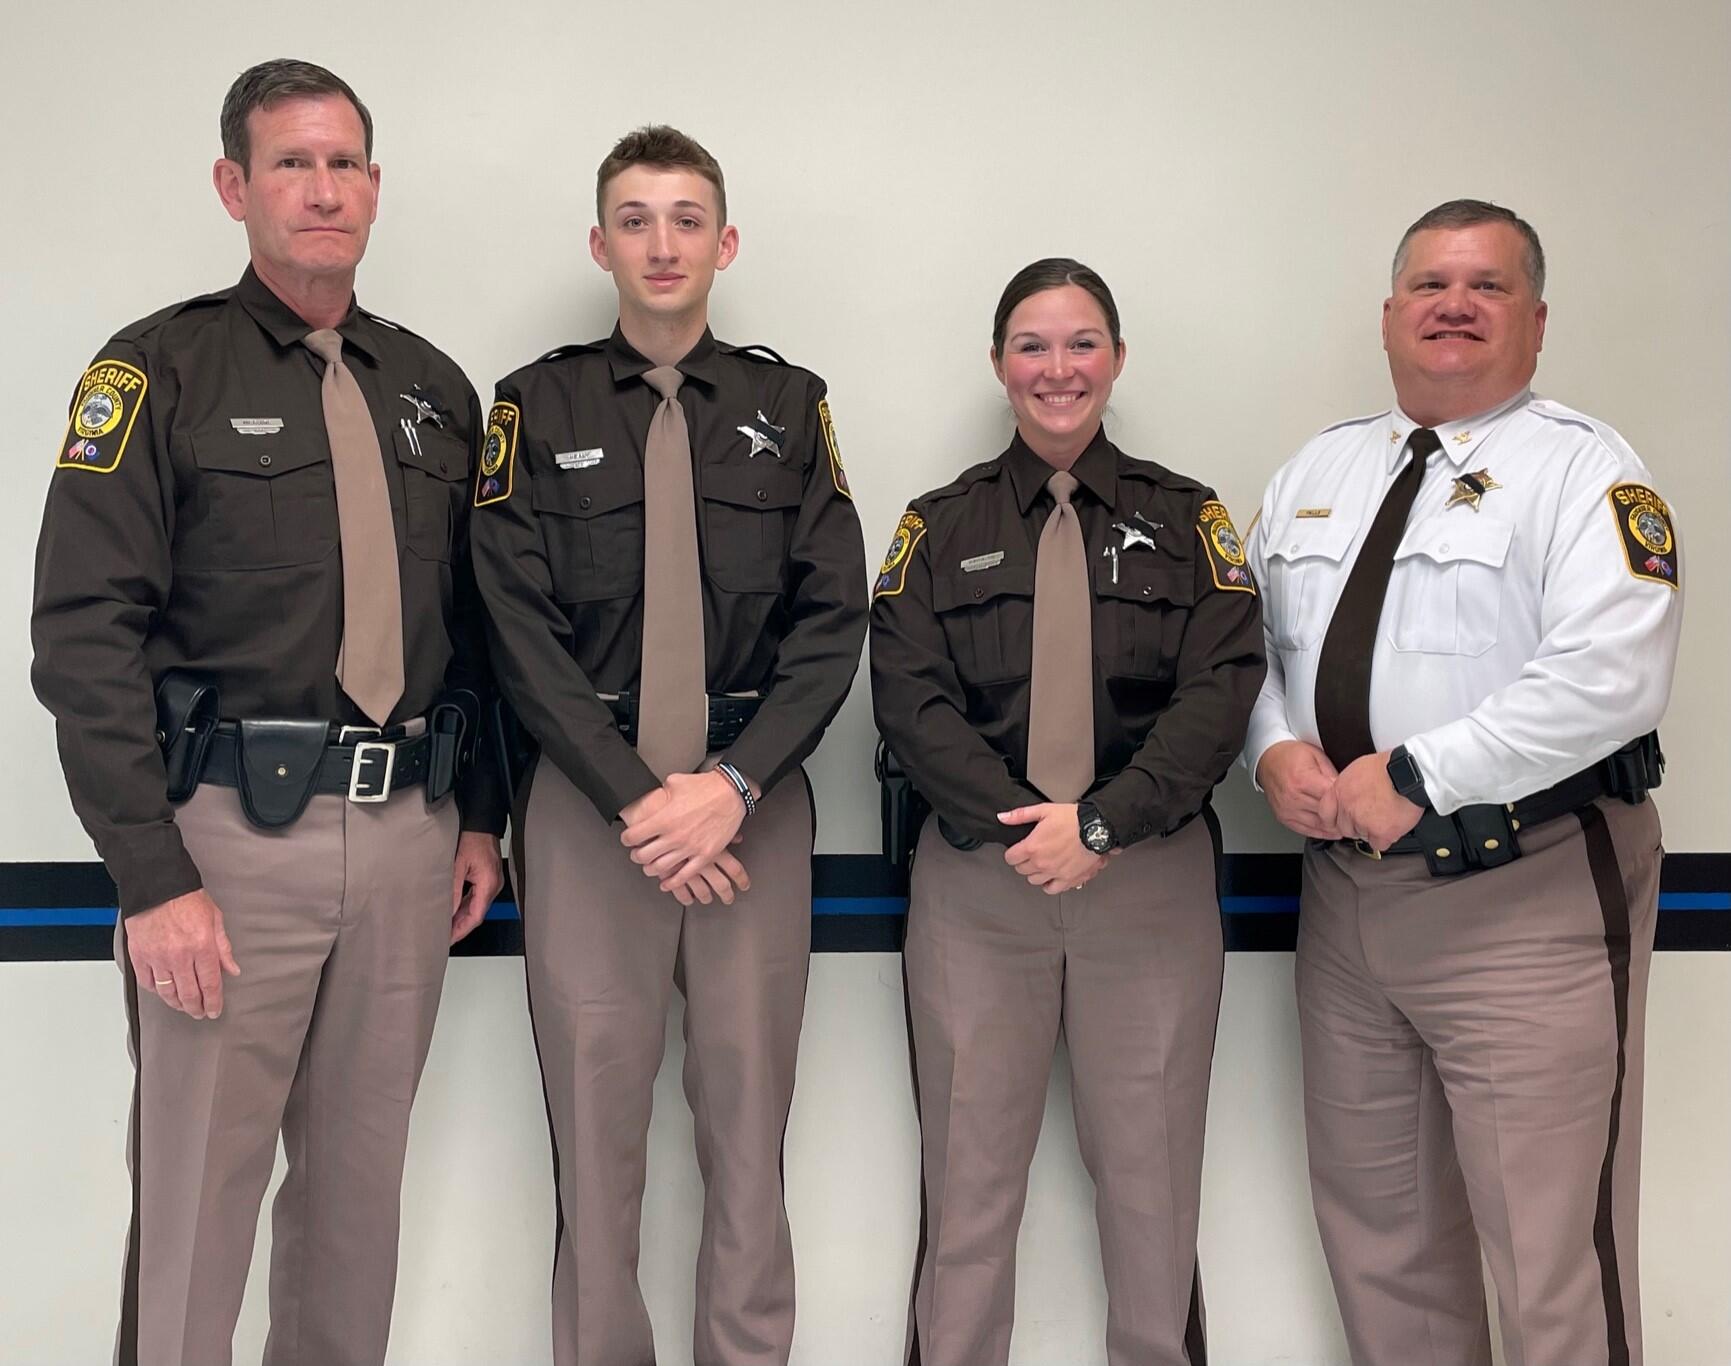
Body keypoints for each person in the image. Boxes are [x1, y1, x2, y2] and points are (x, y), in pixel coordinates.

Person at [30, 59, 505, 1366]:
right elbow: (82, 638)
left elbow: (466, 631)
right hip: (227, 848)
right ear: (234, 185)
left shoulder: (431, 392)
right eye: (292, 162)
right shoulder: (154, 370)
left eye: (344, 162)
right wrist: (151, 873)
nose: (322, 188)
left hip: (406, 836)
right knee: (198, 1210)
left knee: (356, 1211)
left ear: (373, 188)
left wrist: (478, 812)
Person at [1243, 199, 1683, 1365]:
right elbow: (1247, 652)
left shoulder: (1584, 472)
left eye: (1485, 287)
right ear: (1389, 317)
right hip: (1345, 905)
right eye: (1430, 284)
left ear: (1535, 323)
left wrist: (1428, 770)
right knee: (1382, 1240)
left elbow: (1613, 676)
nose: (1453, 304)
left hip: (1522, 899)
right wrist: (1274, 745)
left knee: (1550, 1259)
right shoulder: (1317, 470)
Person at [469, 125, 867, 1366]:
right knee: (595, 1144)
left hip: (755, 811)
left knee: (750, 1140)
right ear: (600, 244)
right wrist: (645, 801)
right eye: (635, 219)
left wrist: (731, 786)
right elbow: (513, 625)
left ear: (724, 242)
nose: (661, 242)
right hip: (594, 817)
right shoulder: (532, 406)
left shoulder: (788, 406)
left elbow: (833, 614)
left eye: (687, 218)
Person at [870, 258, 1266, 1366]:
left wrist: (1101, 825)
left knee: (1151, 1189)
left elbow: (1222, 690)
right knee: (967, 1187)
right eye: (1034, 346)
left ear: (1118, 360)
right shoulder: (936, 527)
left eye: (1082, 343)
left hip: (1146, 886)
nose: (1059, 369)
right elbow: (910, 697)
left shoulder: (1190, 520)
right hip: (978, 889)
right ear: (1000, 364)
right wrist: (1025, 824)